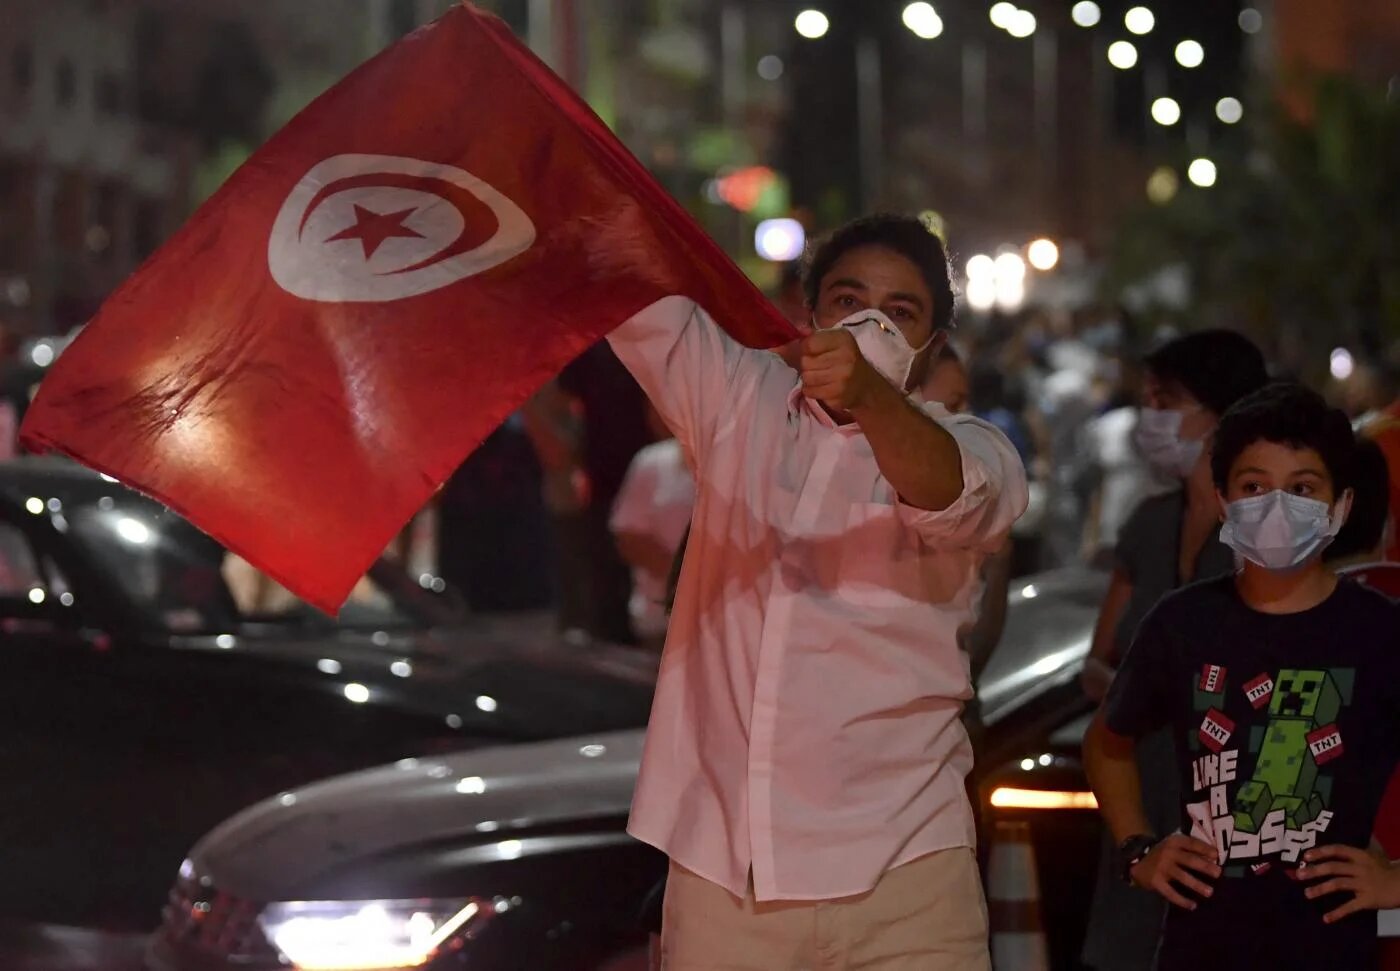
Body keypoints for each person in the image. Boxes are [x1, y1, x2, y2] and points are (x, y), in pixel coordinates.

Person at [608, 213, 1027, 970]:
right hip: (727, 876)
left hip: (907, 876)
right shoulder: (739, 401)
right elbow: (625, 278)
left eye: (901, 312)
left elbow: (947, 493)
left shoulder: (975, 448)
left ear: (930, 344)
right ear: (811, 312)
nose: (870, 322)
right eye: (849, 299)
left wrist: (868, 395)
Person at [1084, 382, 1400, 971]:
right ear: (1225, 501)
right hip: (1200, 949)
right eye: (1255, 487)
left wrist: (1394, 882)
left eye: (1303, 488)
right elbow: (1107, 743)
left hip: (1336, 953)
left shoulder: (1381, 633)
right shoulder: (1184, 624)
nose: (1277, 507)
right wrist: (1138, 851)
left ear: (1341, 506)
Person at [1080, 328, 1269, 971]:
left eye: (1166, 400)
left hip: (1233, 820)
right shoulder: (1148, 522)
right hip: (1140, 809)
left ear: (1221, 411)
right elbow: (1098, 662)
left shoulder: (1262, 538)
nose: (1150, 417)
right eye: (1148, 399)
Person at [609, 401, 696, 650]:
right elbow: (629, 538)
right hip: (664, 626)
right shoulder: (651, 462)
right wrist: (690, 583)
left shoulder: (746, 465)